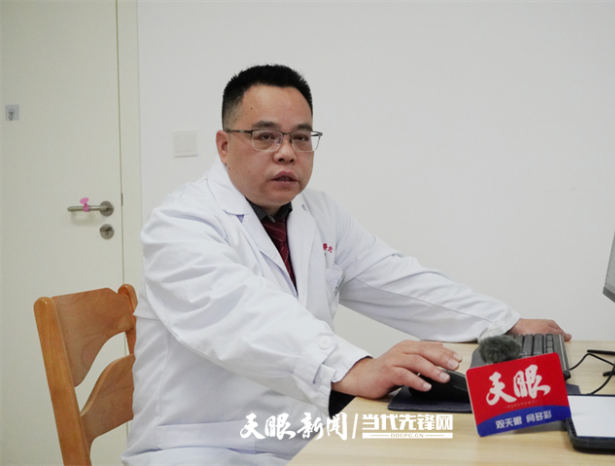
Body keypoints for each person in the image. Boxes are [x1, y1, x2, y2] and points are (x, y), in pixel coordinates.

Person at [123, 64, 570, 466]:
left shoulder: (317, 213)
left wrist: (502, 321)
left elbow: (393, 278)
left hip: (298, 437)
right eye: (265, 136)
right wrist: (353, 368)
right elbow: (241, 314)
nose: (286, 152)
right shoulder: (180, 223)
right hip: (200, 446)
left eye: (301, 137)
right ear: (224, 145)